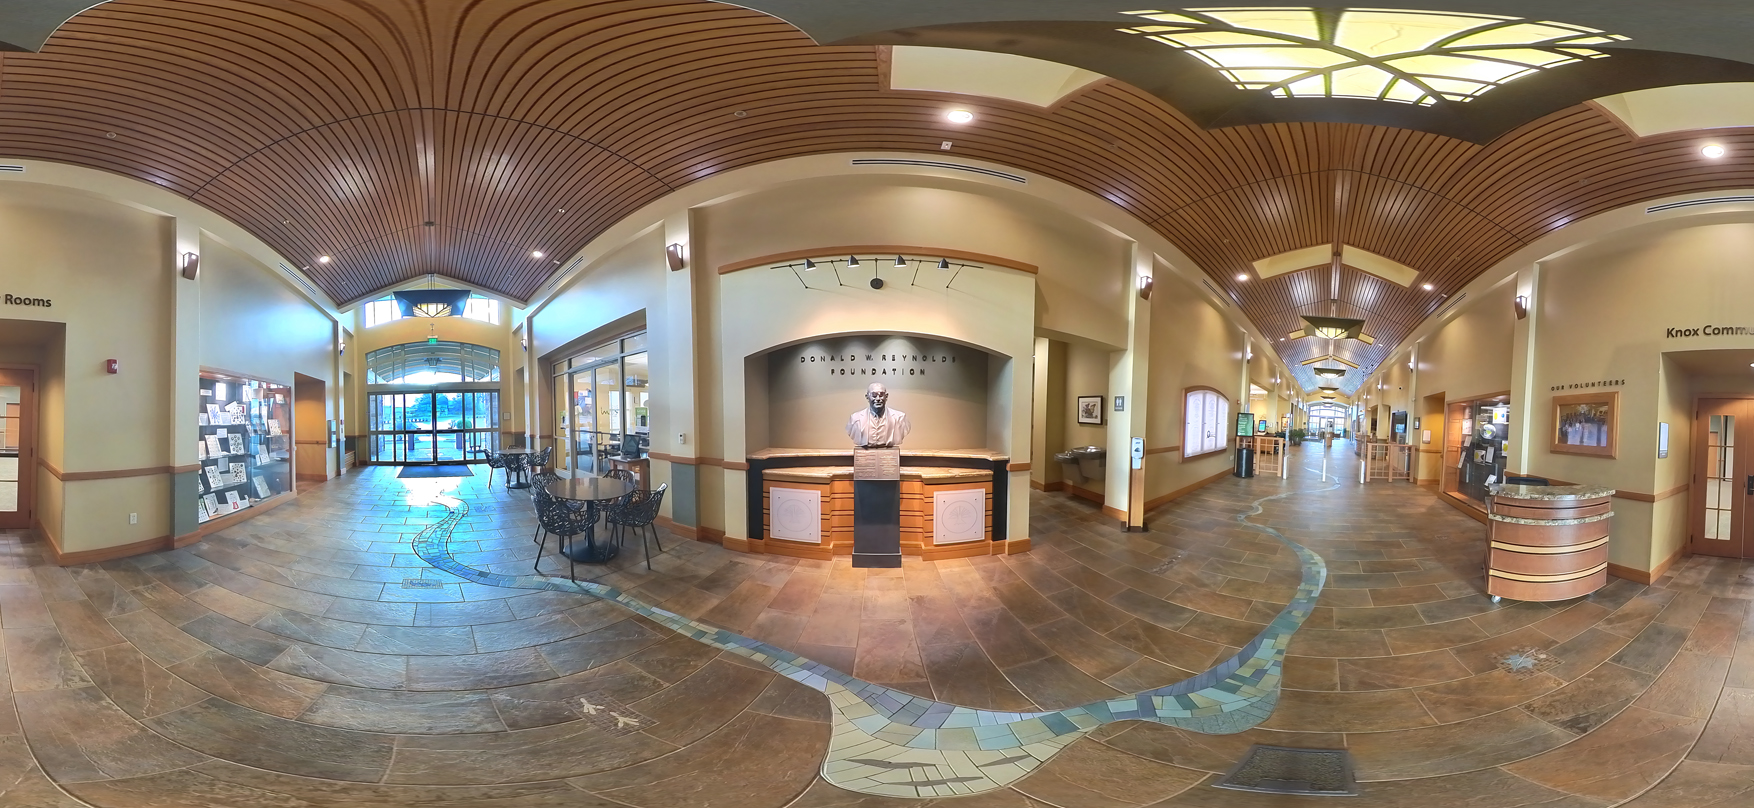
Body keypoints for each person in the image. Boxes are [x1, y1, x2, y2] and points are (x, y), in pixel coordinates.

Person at [846, 382, 911, 448]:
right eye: (874, 395)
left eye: (881, 395)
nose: (878, 399)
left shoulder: (900, 418)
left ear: (886, 396)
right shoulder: (855, 418)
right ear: (867, 397)